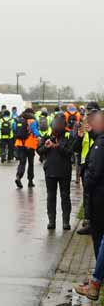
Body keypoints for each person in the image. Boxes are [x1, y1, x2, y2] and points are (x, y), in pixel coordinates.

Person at [74, 111, 104, 301]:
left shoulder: (100, 144)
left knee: (101, 240)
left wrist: (86, 177)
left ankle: (95, 283)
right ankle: (96, 279)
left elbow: (94, 172)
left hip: (100, 199)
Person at [37, 115, 75, 230]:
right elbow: (39, 151)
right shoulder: (47, 136)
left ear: (64, 126)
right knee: (51, 197)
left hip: (64, 172)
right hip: (50, 172)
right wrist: (46, 146)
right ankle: (51, 221)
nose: (56, 127)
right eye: (55, 125)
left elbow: (69, 152)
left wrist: (57, 146)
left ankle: (65, 222)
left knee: (65, 196)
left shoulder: (68, 136)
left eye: (59, 124)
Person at [74, 102, 101, 235]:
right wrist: (79, 137)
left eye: (91, 113)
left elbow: (97, 141)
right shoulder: (82, 127)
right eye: (87, 113)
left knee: (95, 193)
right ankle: (88, 220)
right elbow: (75, 148)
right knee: (87, 194)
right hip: (85, 164)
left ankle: (94, 221)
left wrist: (91, 132)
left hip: (96, 164)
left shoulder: (98, 128)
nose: (88, 115)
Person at [14, 108, 40, 188]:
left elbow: (15, 129)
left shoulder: (19, 119)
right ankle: (30, 181)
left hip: (20, 144)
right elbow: (34, 130)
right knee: (30, 163)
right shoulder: (32, 120)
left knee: (22, 162)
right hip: (30, 145)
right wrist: (38, 136)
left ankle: (18, 177)